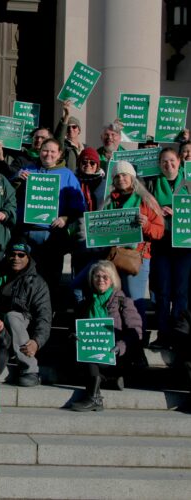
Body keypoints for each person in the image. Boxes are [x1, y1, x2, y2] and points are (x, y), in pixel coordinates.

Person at [13, 138, 85, 306]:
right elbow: (9, 194)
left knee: (50, 278)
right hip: (27, 233)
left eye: (53, 151)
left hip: (53, 235)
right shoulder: (29, 170)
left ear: (59, 154)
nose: (48, 154)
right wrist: (17, 178)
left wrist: (65, 218)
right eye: (45, 150)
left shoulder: (67, 174)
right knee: (26, 277)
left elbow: (79, 206)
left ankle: (46, 315)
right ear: (40, 151)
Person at [71, 260, 143, 411]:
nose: (100, 280)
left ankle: (94, 397)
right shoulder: (86, 302)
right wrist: (75, 336)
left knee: (91, 356)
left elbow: (136, 331)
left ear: (112, 280)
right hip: (94, 354)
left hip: (116, 355)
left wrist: (120, 346)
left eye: (105, 277)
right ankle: (106, 381)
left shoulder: (123, 301)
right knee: (88, 353)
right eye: (97, 276)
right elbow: (73, 328)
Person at [103, 160, 164, 337]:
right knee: (113, 299)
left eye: (124, 175)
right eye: (117, 176)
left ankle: (139, 338)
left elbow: (159, 231)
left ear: (132, 178)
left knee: (134, 301)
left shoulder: (146, 200)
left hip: (136, 257)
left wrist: (145, 225)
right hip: (112, 257)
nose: (121, 178)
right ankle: (119, 337)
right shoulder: (109, 201)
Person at [146, 148, 191, 348]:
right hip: (161, 243)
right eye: (164, 162)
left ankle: (179, 333)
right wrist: (158, 213)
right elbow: (144, 209)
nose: (168, 165)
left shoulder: (189, 183)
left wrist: (178, 211)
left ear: (179, 162)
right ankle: (163, 333)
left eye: (172, 161)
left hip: (184, 244)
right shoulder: (153, 184)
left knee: (181, 291)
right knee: (162, 291)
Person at [0, 238, 52, 387]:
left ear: (28, 257)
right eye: (12, 254)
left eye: (21, 255)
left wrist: (37, 341)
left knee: (12, 316)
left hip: (22, 324)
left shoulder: (37, 282)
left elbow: (44, 316)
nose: (16, 258)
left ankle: (30, 369)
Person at [70, 147, 107, 302]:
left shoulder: (105, 184)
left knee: (97, 279)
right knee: (78, 280)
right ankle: (80, 315)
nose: (88, 165)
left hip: (100, 239)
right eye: (84, 162)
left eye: (92, 163)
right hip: (78, 238)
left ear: (97, 165)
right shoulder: (72, 180)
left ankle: (94, 314)